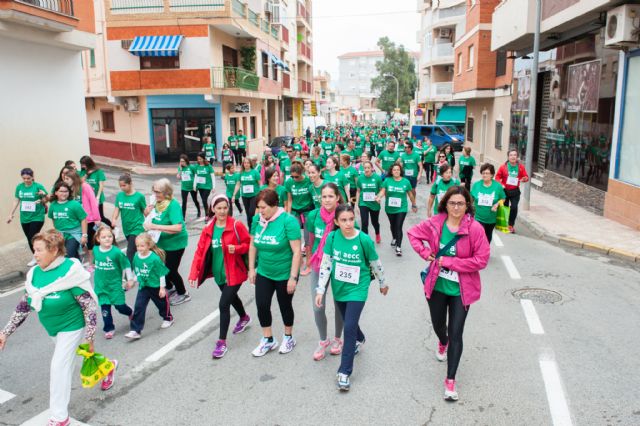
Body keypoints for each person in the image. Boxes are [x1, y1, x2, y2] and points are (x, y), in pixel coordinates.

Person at [0, 230, 116, 426]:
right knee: (72, 360)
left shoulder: (71, 272)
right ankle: (108, 367)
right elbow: (24, 306)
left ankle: (60, 417)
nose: (34, 254)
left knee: (59, 366)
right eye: (34, 250)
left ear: (54, 250)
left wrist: (90, 337)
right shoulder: (34, 274)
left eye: (39, 250)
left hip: (72, 325)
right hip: (53, 328)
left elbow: (89, 306)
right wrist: (5, 332)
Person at [407, 186, 490, 401]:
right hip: (437, 285)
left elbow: (481, 260)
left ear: (467, 205)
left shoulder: (476, 230)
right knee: (438, 326)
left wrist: (450, 262)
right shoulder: (436, 223)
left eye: (460, 203)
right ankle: (441, 341)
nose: (456, 207)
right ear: (446, 204)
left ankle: (450, 380)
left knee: (456, 333)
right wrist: (425, 253)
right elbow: (413, 234)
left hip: (462, 290)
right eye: (452, 203)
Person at [315, 204, 388, 391]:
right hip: (339, 288)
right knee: (350, 321)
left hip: (358, 287)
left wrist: (382, 282)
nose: (348, 223)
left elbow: (375, 262)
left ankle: (344, 372)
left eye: (351, 219)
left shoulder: (364, 240)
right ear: (337, 222)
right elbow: (326, 264)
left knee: (348, 327)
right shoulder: (332, 238)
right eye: (343, 220)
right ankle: (360, 338)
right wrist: (320, 290)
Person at [189, 195, 252, 359]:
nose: (222, 211)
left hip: (235, 272)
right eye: (219, 208)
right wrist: (193, 273)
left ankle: (221, 342)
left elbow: (249, 245)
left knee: (223, 304)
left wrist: (237, 249)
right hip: (219, 274)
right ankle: (244, 317)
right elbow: (200, 252)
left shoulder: (237, 225)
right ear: (212, 209)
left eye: (225, 208)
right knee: (231, 298)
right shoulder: (208, 230)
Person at [248, 189, 301, 357]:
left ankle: (288, 337)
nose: (260, 211)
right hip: (264, 270)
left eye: (263, 207)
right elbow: (253, 245)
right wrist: (251, 268)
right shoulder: (257, 220)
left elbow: (297, 251)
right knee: (262, 305)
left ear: (274, 205)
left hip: (285, 272)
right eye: (258, 207)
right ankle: (268, 339)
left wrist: (293, 277)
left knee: (284, 305)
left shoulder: (288, 221)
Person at [307, 184, 345, 361]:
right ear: (320, 198)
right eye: (324, 196)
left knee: (339, 305)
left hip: (339, 265)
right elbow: (310, 241)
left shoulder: (344, 215)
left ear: (338, 197)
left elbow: (355, 238)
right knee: (317, 306)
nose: (327, 200)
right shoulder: (313, 216)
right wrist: (308, 262)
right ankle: (323, 340)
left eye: (331, 196)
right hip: (318, 264)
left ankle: (338, 339)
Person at [144, 178, 190, 305]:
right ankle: (170, 287)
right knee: (161, 268)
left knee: (170, 270)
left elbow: (178, 227)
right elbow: (153, 219)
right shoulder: (157, 202)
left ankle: (183, 293)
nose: (155, 194)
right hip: (161, 243)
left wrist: (155, 227)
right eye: (154, 191)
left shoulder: (173, 205)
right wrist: (146, 212)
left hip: (175, 243)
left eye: (158, 192)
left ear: (166, 192)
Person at [126, 233, 174, 339]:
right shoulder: (136, 256)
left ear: (148, 246)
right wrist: (133, 280)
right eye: (137, 246)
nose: (139, 248)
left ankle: (168, 318)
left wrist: (162, 288)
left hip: (155, 286)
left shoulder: (154, 258)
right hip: (143, 286)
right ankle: (135, 330)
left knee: (161, 304)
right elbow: (137, 270)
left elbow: (161, 273)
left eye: (142, 246)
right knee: (139, 307)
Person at [92, 225, 134, 339]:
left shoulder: (116, 252)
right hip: (101, 287)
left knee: (120, 306)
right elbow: (94, 264)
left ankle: (130, 312)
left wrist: (129, 279)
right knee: (105, 309)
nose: (107, 239)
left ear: (113, 237)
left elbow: (126, 265)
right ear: (98, 239)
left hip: (115, 285)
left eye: (109, 236)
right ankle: (109, 328)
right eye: (104, 237)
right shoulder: (95, 250)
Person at [7, 168, 48, 266]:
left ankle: (41, 255)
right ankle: (36, 255)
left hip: (37, 216)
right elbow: (16, 200)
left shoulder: (38, 186)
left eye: (28, 178)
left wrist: (43, 196)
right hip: (24, 217)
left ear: (32, 177)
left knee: (32, 236)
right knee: (30, 238)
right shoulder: (19, 187)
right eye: (24, 178)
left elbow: (47, 199)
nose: (26, 180)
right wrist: (11, 214)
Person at [376, 163, 417, 256]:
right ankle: (394, 237)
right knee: (392, 225)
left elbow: (410, 194)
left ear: (400, 171)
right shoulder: (387, 180)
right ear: (391, 171)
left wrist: (414, 204)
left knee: (398, 226)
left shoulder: (406, 182)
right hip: (389, 208)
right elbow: (382, 191)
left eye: (398, 170)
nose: (396, 171)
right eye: (394, 170)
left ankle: (398, 247)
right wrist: (378, 197)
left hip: (401, 208)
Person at [62, 171, 101, 259]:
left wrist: (97, 218)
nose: (65, 181)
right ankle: (80, 261)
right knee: (80, 244)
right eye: (64, 179)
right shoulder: (68, 190)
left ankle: (92, 263)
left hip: (89, 219)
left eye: (67, 179)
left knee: (91, 244)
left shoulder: (85, 187)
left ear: (73, 179)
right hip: (77, 221)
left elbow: (93, 202)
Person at [284, 163, 314, 274]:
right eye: (292, 176)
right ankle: (299, 262)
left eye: (297, 176)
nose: (294, 179)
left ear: (302, 173)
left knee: (308, 240)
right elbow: (289, 199)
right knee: (294, 239)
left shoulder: (308, 181)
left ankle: (309, 264)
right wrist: (288, 215)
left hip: (307, 212)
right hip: (295, 212)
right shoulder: (289, 182)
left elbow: (313, 197)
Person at [111, 173, 146, 264]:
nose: (122, 188)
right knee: (136, 250)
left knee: (130, 252)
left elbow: (145, 212)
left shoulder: (139, 196)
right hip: (126, 228)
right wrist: (114, 219)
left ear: (130, 183)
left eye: (124, 185)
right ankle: (141, 265)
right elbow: (117, 209)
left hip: (137, 227)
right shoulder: (120, 196)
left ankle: (129, 274)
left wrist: (149, 211)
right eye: (120, 186)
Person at [48, 182, 88, 260]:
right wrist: (55, 233)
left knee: (68, 256)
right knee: (73, 256)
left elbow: (83, 219)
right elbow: (53, 219)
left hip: (73, 234)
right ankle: (79, 267)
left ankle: (72, 269)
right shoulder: (53, 205)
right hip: (60, 235)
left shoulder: (75, 204)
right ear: (56, 192)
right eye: (61, 191)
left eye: (66, 191)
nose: (64, 193)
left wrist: (84, 235)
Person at [495, 149, 529, 233]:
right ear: (508, 157)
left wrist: (524, 179)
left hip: (515, 191)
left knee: (514, 207)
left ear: (517, 157)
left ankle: (510, 225)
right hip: (505, 191)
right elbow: (497, 177)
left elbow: (526, 177)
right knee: (504, 207)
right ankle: (502, 222)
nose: (513, 157)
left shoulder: (521, 167)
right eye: (511, 155)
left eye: (515, 155)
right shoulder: (503, 167)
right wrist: (501, 184)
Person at [471, 164, 506, 243]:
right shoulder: (476, 185)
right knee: (479, 235)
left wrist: (497, 205)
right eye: (483, 173)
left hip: (491, 218)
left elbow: (503, 199)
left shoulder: (497, 186)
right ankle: (478, 252)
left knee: (488, 236)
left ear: (492, 175)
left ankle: (485, 251)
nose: (485, 175)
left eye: (487, 173)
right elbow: (471, 198)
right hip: (478, 217)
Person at [79, 156, 112, 228]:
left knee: (101, 217)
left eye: (84, 164)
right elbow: (81, 182)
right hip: (87, 199)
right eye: (81, 164)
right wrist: (86, 174)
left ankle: (113, 227)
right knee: (89, 217)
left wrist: (98, 197)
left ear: (88, 163)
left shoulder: (98, 172)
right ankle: (95, 232)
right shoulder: (83, 171)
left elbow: (101, 185)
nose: (82, 166)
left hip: (97, 198)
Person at [356, 161, 382, 243]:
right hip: (363, 203)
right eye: (365, 168)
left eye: (368, 168)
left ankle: (377, 233)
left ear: (372, 168)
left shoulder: (377, 178)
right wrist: (357, 204)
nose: (366, 169)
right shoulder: (360, 178)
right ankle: (365, 240)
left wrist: (378, 197)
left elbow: (382, 190)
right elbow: (358, 191)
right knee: (364, 222)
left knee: (375, 222)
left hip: (374, 203)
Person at [233, 157, 261, 226]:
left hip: (254, 195)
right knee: (248, 213)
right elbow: (238, 184)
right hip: (245, 196)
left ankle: (255, 224)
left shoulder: (255, 172)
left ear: (250, 164)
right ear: (243, 164)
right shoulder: (241, 173)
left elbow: (260, 183)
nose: (246, 164)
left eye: (248, 163)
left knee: (252, 212)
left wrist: (262, 193)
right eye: (245, 163)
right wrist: (234, 195)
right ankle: (250, 228)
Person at [177, 154, 201, 220]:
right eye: (180, 161)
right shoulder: (180, 168)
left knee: (195, 200)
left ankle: (199, 210)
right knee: (184, 202)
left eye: (183, 161)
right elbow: (178, 177)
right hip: (184, 187)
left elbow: (196, 175)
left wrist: (195, 185)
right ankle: (183, 217)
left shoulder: (191, 167)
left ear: (186, 161)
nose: (181, 163)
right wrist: (181, 170)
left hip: (192, 187)